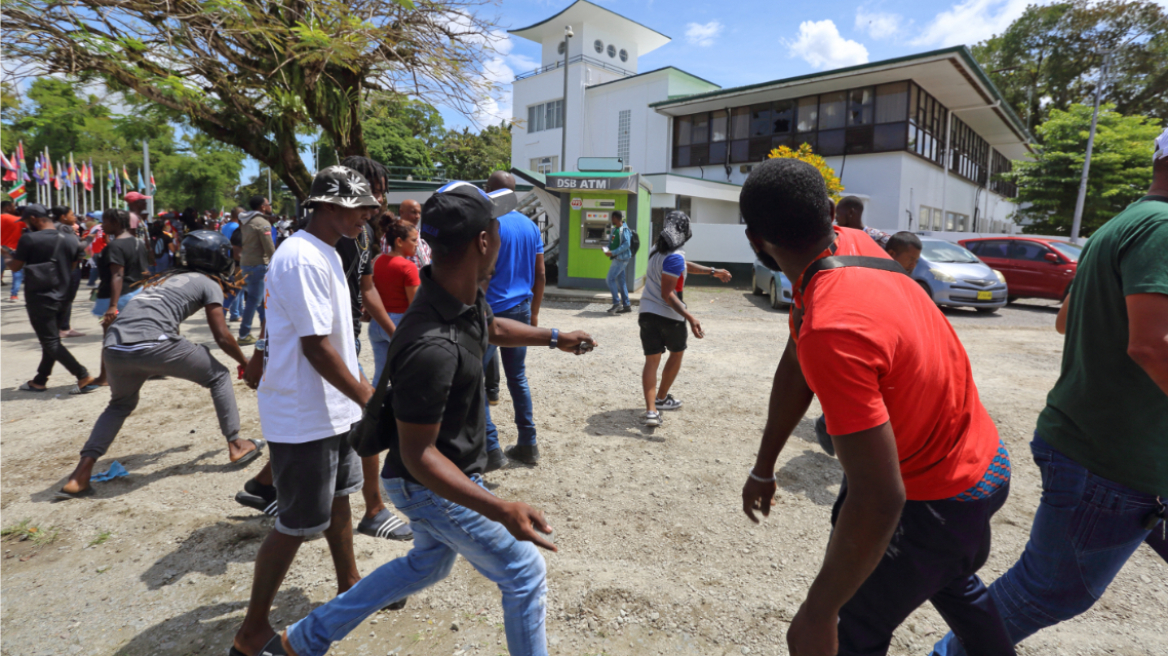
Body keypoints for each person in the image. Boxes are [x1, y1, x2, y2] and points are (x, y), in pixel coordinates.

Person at [264, 179, 596, 656]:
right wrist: (501, 510)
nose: (500, 236)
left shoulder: (456, 294)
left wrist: (553, 336)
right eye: (497, 228)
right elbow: (419, 457)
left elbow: (491, 326)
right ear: (484, 242)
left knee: (428, 563)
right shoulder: (431, 346)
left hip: (439, 471)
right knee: (524, 570)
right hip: (427, 482)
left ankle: (300, 642)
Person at [738, 158, 1013, 656]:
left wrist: (819, 614)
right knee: (947, 576)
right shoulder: (853, 246)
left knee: (847, 629)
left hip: (935, 498)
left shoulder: (833, 327)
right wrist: (763, 467)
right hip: (983, 466)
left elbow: (881, 498)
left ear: (755, 241)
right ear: (829, 212)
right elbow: (797, 359)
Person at [930, 128, 1168, 656]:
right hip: (1115, 456)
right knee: (1048, 590)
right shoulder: (1162, 229)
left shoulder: (1121, 225)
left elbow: (1064, 321)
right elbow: (1152, 346)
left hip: (1103, 442)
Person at [227, 166, 383, 656]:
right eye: (359, 209)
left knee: (340, 500)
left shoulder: (330, 252)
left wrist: (358, 393)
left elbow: (332, 338)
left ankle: (349, 584)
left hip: (332, 406)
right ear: (328, 207)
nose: (366, 217)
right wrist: (369, 398)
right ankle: (252, 631)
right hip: (303, 410)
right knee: (296, 523)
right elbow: (316, 348)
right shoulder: (299, 259)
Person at [54, 231, 264, 500]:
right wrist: (245, 362)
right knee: (219, 375)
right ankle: (236, 444)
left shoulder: (161, 279)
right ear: (218, 258)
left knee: (119, 405)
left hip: (115, 345)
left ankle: (79, 477)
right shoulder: (208, 282)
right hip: (154, 343)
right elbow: (222, 335)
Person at [815, 230, 924, 457]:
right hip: (868, 343)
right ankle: (830, 428)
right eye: (910, 259)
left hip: (891, 346)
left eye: (916, 260)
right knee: (858, 397)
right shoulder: (870, 270)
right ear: (892, 253)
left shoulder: (902, 276)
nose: (913, 265)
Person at [637, 210, 732, 427]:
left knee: (652, 361)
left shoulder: (657, 250)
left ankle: (651, 411)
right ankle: (660, 398)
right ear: (685, 231)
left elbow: (683, 265)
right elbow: (667, 294)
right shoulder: (674, 256)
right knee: (676, 353)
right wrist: (691, 317)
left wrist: (712, 271)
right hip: (670, 316)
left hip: (646, 313)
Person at [481, 171, 546, 469]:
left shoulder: (488, 224)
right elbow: (541, 273)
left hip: (490, 313)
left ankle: (491, 449)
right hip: (520, 308)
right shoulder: (531, 226)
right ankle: (528, 444)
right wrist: (533, 313)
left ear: (490, 191)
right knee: (517, 377)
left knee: (475, 380)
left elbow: (484, 270)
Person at [7, 204, 96, 394]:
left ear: (33, 219)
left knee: (50, 342)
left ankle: (83, 375)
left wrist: (5, 255)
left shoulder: (29, 239)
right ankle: (40, 380)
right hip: (64, 296)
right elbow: (74, 264)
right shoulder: (71, 238)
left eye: (25, 221)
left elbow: (15, 267)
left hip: (40, 297)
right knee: (51, 340)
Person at [91, 208, 151, 386]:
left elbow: (117, 275)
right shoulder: (138, 242)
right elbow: (145, 271)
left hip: (118, 296)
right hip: (136, 292)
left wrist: (112, 306)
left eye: (106, 221)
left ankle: (105, 377)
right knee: (131, 336)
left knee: (110, 338)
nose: (103, 225)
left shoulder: (115, 246)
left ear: (116, 223)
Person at [369, 218, 420, 382]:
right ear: (399, 241)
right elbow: (415, 305)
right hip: (398, 323)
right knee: (406, 375)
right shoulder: (408, 267)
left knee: (380, 376)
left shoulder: (377, 261)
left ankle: (374, 407)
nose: (417, 244)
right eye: (413, 240)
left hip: (377, 323)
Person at [238, 196, 275, 345]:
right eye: (268, 204)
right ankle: (244, 334)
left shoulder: (245, 221)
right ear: (262, 207)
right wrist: (276, 262)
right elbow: (269, 247)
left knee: (260, 301)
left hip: (247, 263)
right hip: (258, 264)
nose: (270, 206)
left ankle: (266, 331)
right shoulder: (262, 223)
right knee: (254, 300)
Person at [50, 206, 86, 338]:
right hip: (68, 267)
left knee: (64, 298)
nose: (74, 217)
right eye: (71, 214)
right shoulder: (64, 228)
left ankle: (63, 326)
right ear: (63, 216)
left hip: (60, 267)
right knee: (67, 298)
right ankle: (63, 328)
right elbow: (76, 248)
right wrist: (88, 240)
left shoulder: (54, 227)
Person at [604, 210, 633, 314]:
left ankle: (617, 303)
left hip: (621, 258)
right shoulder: (615, 230)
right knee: (621, 282)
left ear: (616, 218)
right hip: (617, 257)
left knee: (610, 279)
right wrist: (607, 249)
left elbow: (627, 244)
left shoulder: (624, 229)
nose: (611, 220)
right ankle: (627, 306)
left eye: (612, 218)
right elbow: (611, 243)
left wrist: (613, 252)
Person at [398, 198, 432, 268]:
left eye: (419, 213)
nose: (417, 216)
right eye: (413, 212)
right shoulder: (394, 234)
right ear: (401, 212)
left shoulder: (421, 233)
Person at [2, 200, 25, 301]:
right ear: (7, 208)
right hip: (14, 250)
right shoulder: (18, 220)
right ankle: (14, 295)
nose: (14, 208)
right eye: (13, 207)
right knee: (17, 272)